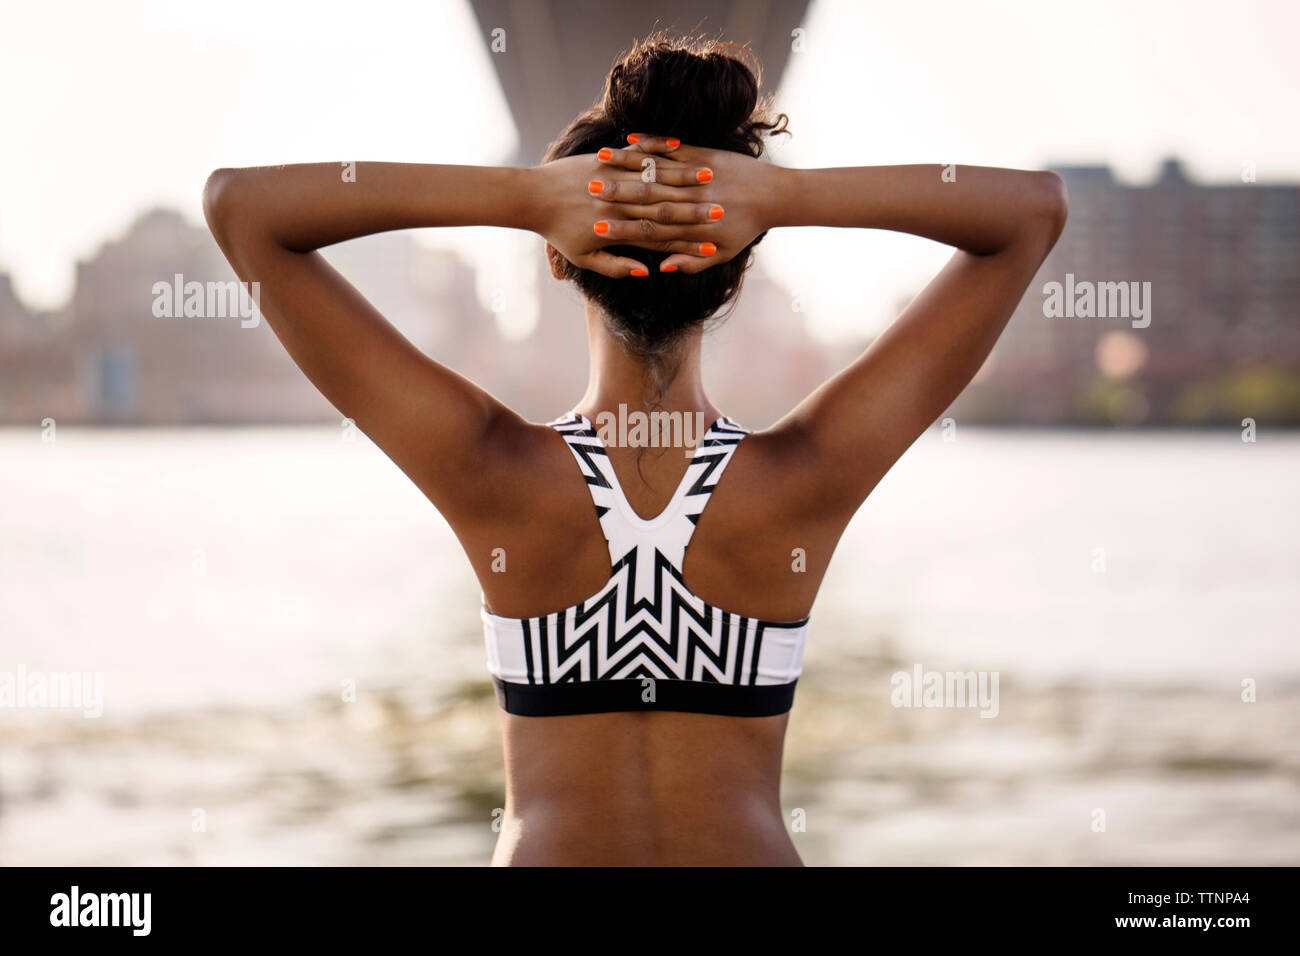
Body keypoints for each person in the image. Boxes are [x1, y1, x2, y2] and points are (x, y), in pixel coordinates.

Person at [203, 34, 1067, 865]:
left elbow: (242, 208)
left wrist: (527, 197)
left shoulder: (490, 473)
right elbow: (1031, 212)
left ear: (557, 259)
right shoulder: (802, 482)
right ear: (738, 265)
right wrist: (780, 200)